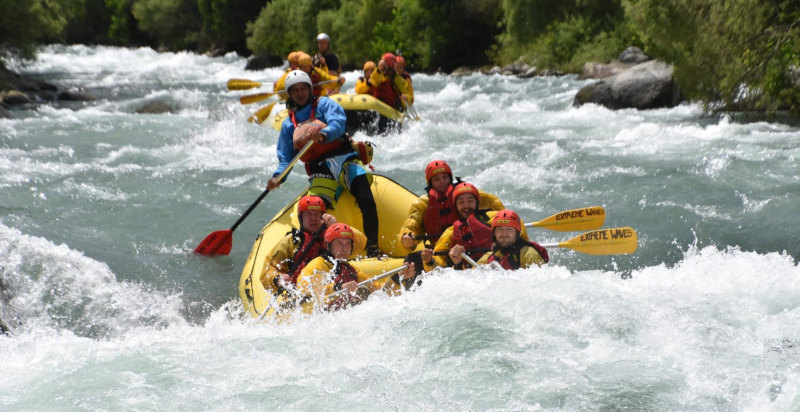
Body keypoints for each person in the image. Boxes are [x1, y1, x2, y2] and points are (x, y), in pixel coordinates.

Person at [266, 70, 381, 257]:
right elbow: (286, 158)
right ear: (290, 94)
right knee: (313, 212)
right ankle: (317, 253)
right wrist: (278, 177)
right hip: (320, 170)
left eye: (303, 88)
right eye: (295, 90)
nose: (300, 93)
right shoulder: (288, 125)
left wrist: (323, 133)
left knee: (365, 197)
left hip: (345, 160)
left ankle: (373, 248)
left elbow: (338, 123)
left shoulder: (324, 104)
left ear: (310, 89)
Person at [260, 195, 366, 293]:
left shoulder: (332, 236)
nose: (313, 218)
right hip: (301, 291)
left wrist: (335, 225)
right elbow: (267, 271)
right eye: (308, 214)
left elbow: (361, 243)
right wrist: (277, 278)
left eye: (317, 214)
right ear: (301, 217)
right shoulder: (292, 241)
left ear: (323, 216)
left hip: (331, 286)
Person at [424, 182, 532, 271]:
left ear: (477, 203)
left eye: (470, 201)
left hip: (504, 268)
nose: (466, 206)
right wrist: (429, 261)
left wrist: (507, 244)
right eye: (461, 202)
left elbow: (518, 225)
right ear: (455, 206)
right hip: (473, 278)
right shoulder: (450, 232)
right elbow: (437, 268)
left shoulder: (494, 218)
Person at [296, 223, 377, 311]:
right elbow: (307, 291)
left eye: (348, 243)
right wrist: (338, 287)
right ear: (328, 246)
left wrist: (388, 285)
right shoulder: (318, 265)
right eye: (339, 243)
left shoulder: (349, 269)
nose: (344, 248)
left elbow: (374, 286)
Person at [477, 209, 549, 269]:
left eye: (509, 230)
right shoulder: (489, 256)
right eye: (499, 230)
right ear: (494, 233)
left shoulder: (529, 254)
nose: (504, 234)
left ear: (517, 233)